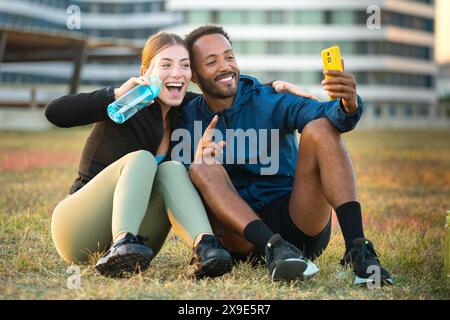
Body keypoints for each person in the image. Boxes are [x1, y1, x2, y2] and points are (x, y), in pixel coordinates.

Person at [45, 31, 309, 279]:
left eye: (184, 65)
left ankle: (206, 247)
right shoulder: (123, 105)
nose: (177, 73)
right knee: (142, 159)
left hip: (142, 236)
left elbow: (224, 92)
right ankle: (121, 241)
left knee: (172, 168)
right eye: (166, 65)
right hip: (77, 229)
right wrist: (116, 94)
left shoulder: (185, 110)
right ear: (145, 71)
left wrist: (272, 88)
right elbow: (55, 113)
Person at [175, 25, 394, 286]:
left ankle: (359, 251)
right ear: (194, 76)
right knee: (200, 167)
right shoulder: (185, 117)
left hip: (296, 220)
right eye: (211, 62)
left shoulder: (268, 100)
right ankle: (273, 248)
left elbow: (327, 114)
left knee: (321, 127)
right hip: (240, 238)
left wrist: (348, 104)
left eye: (229, 57)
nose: (225, 66)